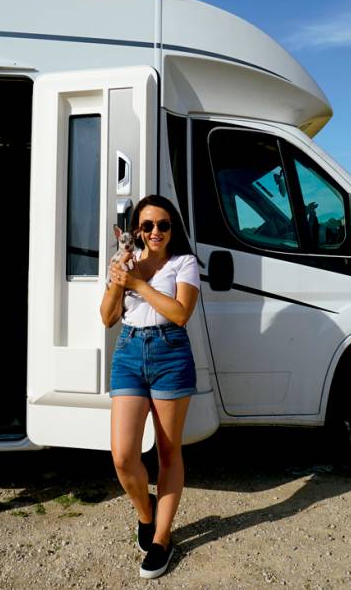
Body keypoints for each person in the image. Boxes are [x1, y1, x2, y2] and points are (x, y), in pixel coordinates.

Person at [99, 195, 200, 580]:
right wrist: (116, 281)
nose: (155, 232)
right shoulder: (127, 264)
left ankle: (161, 538)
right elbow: (108, 318)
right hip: (129, 350)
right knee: (123, 455)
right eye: (147, 226)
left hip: (170, 353)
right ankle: (146, 513)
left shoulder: (183, 263)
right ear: (136, 230)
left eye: (163, 225)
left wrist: (138, 283)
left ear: (173, 228)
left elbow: (180, 313)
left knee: (168, 452)